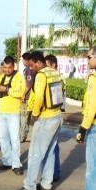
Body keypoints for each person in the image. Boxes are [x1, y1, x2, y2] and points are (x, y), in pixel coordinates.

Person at [15, 51, 63, 190]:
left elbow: (40, 96)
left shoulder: (42, 75)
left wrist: (35, 114)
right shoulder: (55, 73)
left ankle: (30, 186)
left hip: (45, 117)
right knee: (49, 153)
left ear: (38, 62)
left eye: (32, 65)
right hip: (57, 116)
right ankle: (47, 185)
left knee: (35, 153)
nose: (31, 68)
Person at [0, 56, 26, 175]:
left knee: (14, 139)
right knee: (3, 138)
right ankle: (7, 161)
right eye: (5, 67)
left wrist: (6, 90)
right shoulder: (1, 76)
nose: (7, 70)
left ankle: (16, 164)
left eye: (9, 68)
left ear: (13, 66)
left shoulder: (19, 77)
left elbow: (20, 92)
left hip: (13, 112)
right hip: (1, 112)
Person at [73, 46, 96, 190]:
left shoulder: (94, 78)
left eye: (89, 57)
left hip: (94, 126)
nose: (87, 60)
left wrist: (83, 128)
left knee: (92, 170)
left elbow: (92, 105)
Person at [44, 54, 63, 182]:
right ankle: (53, 173)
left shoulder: (57, 79)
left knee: (51, 146)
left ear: (53, 65)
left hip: (52, 115)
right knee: (52, 146)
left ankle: (53, 173)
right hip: (54, 115)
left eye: (47, 65)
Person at [20, 52, 35, 143]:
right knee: (31, 118)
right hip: (33, 97)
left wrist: (23, 94)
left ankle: (21, 136)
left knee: (24, 117)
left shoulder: (29, 70)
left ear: (26, 60)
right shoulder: (31, 69)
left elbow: (29, 84)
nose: (22, 62)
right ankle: (30, 136)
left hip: (27, 97)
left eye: (22, 60)